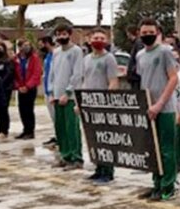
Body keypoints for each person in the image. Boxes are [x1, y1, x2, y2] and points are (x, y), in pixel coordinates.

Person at [136, 18, 180, 201]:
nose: (147, 36)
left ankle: (168, 186)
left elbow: (173, 78)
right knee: (153, 149)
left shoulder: (164, 52)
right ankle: (157, 183)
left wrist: (160, 103)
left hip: (165, 108)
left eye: (150, 32)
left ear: (157, 32)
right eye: (144, 33)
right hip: (148, 108)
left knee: (166, 150)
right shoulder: (139, 55)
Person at [79, 28, 120, 184]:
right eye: (96, 37)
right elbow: (85, 80)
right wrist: (80, 101)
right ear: (90, 40)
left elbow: (113, 81)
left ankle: (107, 171)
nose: (98, 40)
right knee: (93, 139)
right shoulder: (87, 59)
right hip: (89, 103)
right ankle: (98, 169)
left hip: (103, 103)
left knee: (105, 139)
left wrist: (107, 101)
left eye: (102, 37)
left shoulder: (109, 58)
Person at [48, 24, 84, 169]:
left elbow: (77, 74)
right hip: (56, 95)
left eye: (63, 34)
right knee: (60, 127)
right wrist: (51, 92)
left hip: (69, 97)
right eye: (58, 34)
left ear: (69, 34)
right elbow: (52, 73)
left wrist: (68, 93)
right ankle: (65, 155)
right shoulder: (56, 52)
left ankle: (76, 158)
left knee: (71, 128)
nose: (61, 37)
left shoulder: (76, 51)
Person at [13, 40, 42, 139]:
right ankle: (25, 130)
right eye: (24, 45)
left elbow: (36, 73)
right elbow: (14, 74)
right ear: (19, 47)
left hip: (30, 88)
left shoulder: (34, 58)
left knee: (29, 110)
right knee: (22, 110)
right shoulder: (15, 59)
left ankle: (30, 131)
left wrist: (28, 86)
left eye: (28, 45)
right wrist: (18, 86)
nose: (26, 47)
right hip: (20, 88)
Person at [0, 41, 16, 140]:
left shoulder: (8, 61)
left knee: (3, 110)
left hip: (5, 89)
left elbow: (9, 75)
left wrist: (0, 84)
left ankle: (4, 130)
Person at [124, 25, 144, 90]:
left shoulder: (138, 43)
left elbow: (139, 58)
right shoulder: (136, 43)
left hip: (135, 77)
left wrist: (132, 70)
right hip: (135, 76)